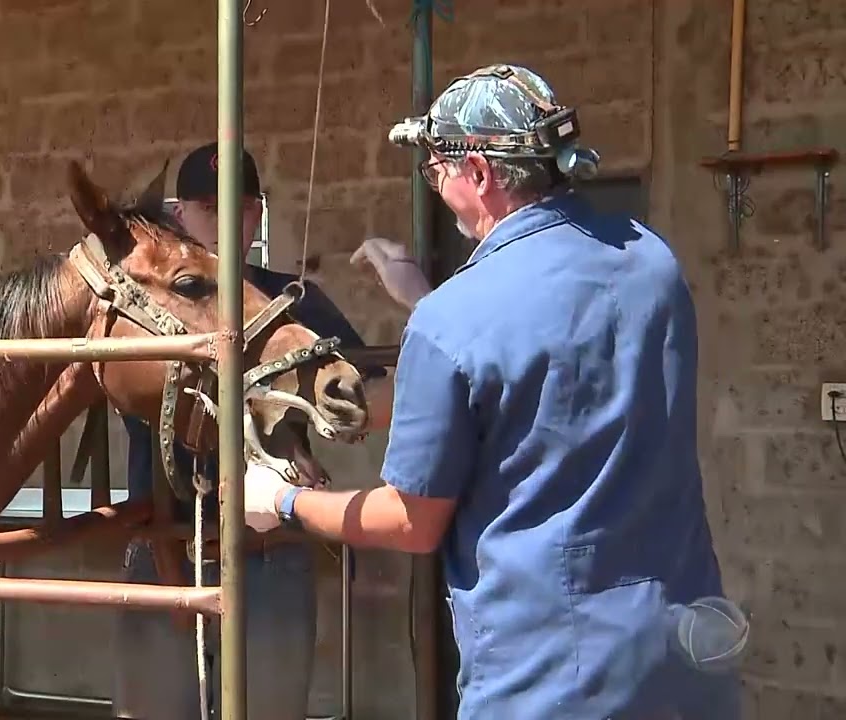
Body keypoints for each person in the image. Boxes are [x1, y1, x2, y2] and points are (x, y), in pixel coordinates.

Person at [242, 64, 743, 719]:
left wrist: (281, 501)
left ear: (478, 173)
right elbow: (551, 365)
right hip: (681, 661)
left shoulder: (452, 320)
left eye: (435, 170)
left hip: (551, 679)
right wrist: (424, 297)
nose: (434, 183)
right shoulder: (652, 260)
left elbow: (411, 521)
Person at [112, 141, 389, 719]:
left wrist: (340, 411)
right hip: (163, 549)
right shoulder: (144, 307)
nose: (225, 222)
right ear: (179, 214)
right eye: (208, 208)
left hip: (269, 551)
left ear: (258, 213)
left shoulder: (293, 302)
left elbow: (372, 393)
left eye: (239, 208)